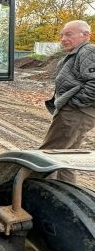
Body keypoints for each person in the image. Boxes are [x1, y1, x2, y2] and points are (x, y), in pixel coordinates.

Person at [40, 19, 95, 182]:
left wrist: (73, 104)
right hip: (80, 113)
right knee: (66, 158)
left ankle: (37, 191)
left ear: (86, 35)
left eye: (69, 34)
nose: (63, 39)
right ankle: (66, 191)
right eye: (62, 35)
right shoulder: (77, 53)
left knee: (46, 156)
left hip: (76, 113)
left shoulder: (88, 51)